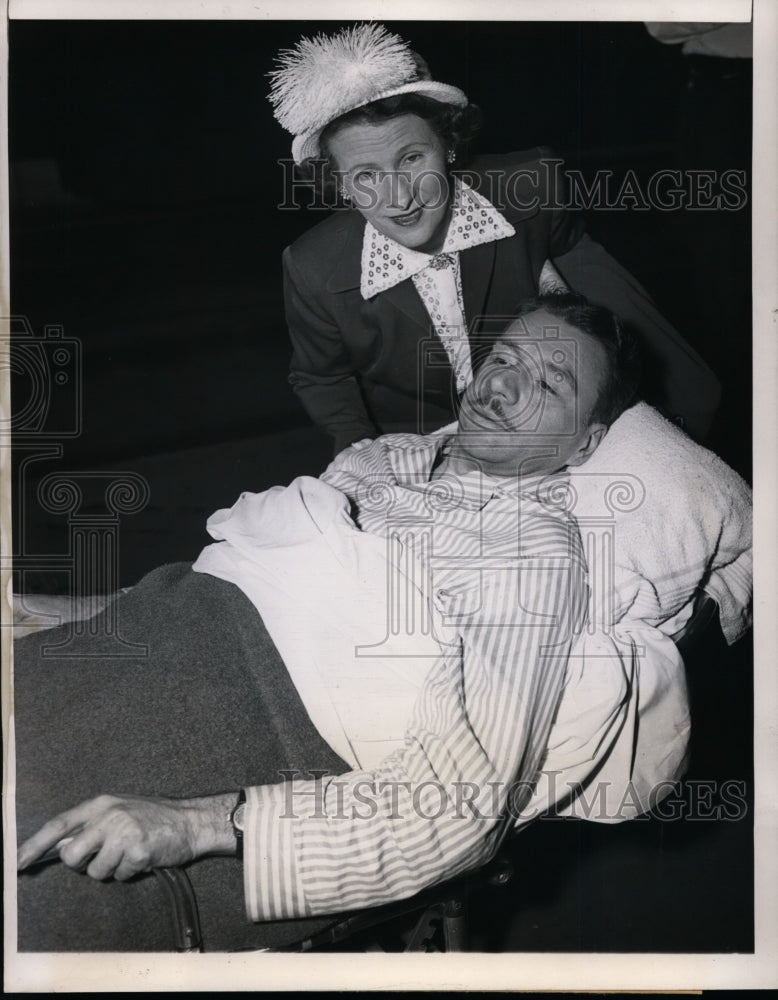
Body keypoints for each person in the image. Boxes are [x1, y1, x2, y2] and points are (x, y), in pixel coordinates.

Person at [16, 293, 641, 952]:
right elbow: (245, 578)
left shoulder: (533, 553)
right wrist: (67, 613)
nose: (504, 383)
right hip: (132, 644)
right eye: (504, 355)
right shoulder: (388, 460)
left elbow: (461, 810)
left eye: (547, 383)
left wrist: (194, 825)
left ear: (584, 444)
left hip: (232, 740)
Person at [270, 23, 721, 455]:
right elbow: (322, 378)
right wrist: (361, 450)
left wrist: (671, 424)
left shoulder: (532, 189)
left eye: (411, 158)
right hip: (418, 442)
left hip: (543, 429)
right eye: (366, 175)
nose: (400, 197)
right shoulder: (313, 267)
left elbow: (622, 315)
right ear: (339, 183)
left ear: (447, 145)